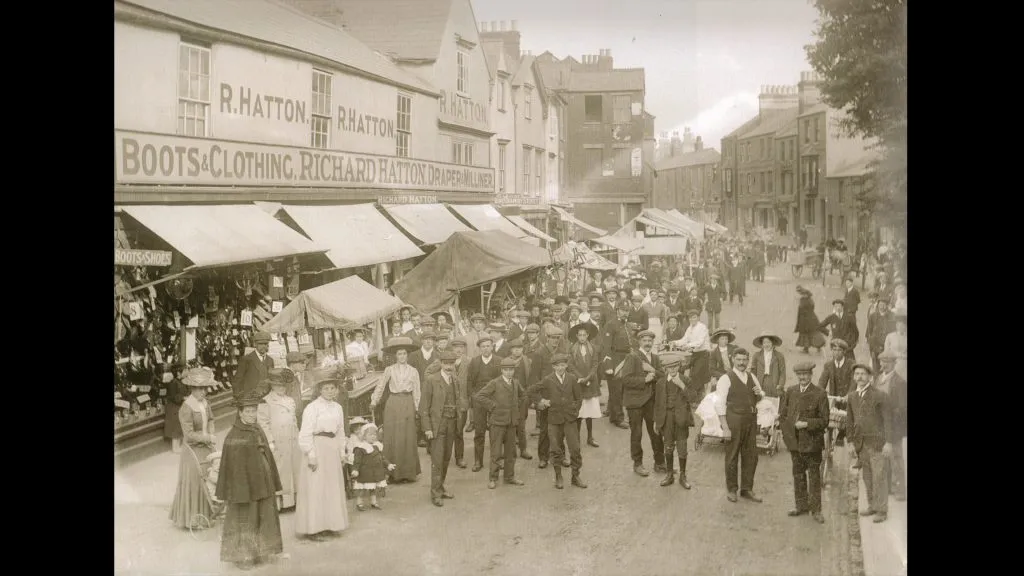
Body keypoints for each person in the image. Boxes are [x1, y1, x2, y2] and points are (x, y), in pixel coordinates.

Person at [216, 389, 284, 570]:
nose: (252, 414)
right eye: (248, 411)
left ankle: (261, 551)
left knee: (264, 515)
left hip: (263, 480)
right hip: (244, 487)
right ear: (240, 413)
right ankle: (243, 556)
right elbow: (234, 467)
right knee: (246, 518)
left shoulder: (257, 428)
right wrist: (240, 489)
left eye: (254, 411)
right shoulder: (234, 435)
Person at [295, 368, 349, 540]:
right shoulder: (312, 408)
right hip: (317, 448)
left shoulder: (338, 408)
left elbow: (340, 431)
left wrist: (342, 451)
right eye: (326, 388)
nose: (330, 391)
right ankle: (314, 528)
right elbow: (305, 433)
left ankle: (331, 524)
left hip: (332, 449)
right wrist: (311, 454)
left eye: (332, 388)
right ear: (319, 390)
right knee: (316, 488)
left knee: (331, 487)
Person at [779, 361, 830, 524]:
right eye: (800, 374)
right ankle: (801, 506)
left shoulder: (820, 393)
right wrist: (787, 435)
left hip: (812, 443)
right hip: (795, 444)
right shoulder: (791, 391)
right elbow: (784, 414)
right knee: (798, 475)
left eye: (805, 374)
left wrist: (807, 423)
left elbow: (824, 420)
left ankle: (816, 510)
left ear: (811, 375)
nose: (802, 377)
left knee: (814, 476)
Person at [170, 367, 219, 530]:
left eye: (205, 388)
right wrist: (207, 438)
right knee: (195, 481)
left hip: (206, 447)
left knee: (208, 479)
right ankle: (192, 518)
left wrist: (211, 433)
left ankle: (206, 514)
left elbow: (211, 419)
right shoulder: (187, 407)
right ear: (192, 389)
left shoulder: (205, 403)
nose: (203, 392)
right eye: (199, 389)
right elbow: (189, 434)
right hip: (192, 450)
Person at [714, 347, 765, 503]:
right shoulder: (726, 378)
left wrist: (759, 394)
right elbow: (719, 404)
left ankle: (747, 489)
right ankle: (732, 489)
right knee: (732, 456)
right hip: (734, 420)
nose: (742, 363)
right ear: (733, 360)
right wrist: (725, 427)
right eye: (739, 360)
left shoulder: (751, 376)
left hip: (750, 419)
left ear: (748, 360)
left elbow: (761, 396)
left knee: (751, 456)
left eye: (744, 360)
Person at [528, 353, 587, 489]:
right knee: (555, 449)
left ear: (566, 365)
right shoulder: (548, 379)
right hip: (554, 419)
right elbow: (531, 390)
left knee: (575, 448)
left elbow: (579, 397)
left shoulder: (572, 378)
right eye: (557, 366)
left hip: (569, 419)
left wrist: (574, 411)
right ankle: (558, 476)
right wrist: (541, 401)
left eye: (562, 365)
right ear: (553, 367)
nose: (560, 368)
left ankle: (575, 476)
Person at [369, 337, 422, 483]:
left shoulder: (413, 371)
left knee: (407, 437)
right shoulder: (389, 370)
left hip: (407, 402)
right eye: (399, 354)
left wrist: (417, 408)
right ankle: (392, 473)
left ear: (407, 355)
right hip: (393, 404)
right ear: (395, 356)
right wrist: (374, 400)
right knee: (392, 438)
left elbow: (417, 391)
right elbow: (380, 386)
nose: (402, 357)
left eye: (404, 354)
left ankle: (407, 473)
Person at [846, 364, 893, 523]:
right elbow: (849, 420)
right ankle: (872, 505)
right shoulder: (852, 396)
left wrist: (889, 442)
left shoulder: (880, 396)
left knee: (879, 476)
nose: (859, 377)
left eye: (863, 374)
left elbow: (888, 421)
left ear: (870, 377)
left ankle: (881, 510)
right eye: (857, 374)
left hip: (877, 443)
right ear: (854, 377)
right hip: (861, 444)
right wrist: (851, 441)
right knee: (867, 476)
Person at [474, 357, 527, 489]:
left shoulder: (515, 382)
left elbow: (523, 395)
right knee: (496, 452)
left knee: (511, 452)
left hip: (511, 422)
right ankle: (493, 478)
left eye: (511, 370)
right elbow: (480, 396)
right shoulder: (495, 383)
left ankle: (509, 477)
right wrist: (492, 406)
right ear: (502, 370)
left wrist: (516, 408)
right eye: (506, 370)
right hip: (497, 423)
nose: (509, 372)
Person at [620, 330, 666, 477]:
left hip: (651, 402)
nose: (647, 343)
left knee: (656, 432)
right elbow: (625, 380)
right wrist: (644, 380)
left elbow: (663, 378)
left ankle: (659, 463)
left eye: (650, 341)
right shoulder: (632, 357)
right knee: (637, 434)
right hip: (635, 402)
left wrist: (652, 370)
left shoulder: (655, 358)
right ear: (639, 342)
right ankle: (637, 464)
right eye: (644, 340)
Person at [256, 368, 301, 510]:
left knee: (295, 468)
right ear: (272, 386)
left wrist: (298, 436)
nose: (281, 388)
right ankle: (283, 502)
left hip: (292, 438)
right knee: (281, 470)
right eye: (278, 385)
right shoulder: (266, 401)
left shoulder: (289, 400)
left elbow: (293, 419)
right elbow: (263, 422)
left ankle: (295, 499)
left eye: (283, 385)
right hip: (278, 439)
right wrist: (270, 441)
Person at [653, 351, 699, 489]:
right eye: (669, 367)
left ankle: (683, 475)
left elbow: (693, 398)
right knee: (668, 446)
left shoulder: (686, 380)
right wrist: (656, 420)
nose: (672, 370)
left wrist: (681, 385)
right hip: (666, 418)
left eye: (675, 366)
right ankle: (669, 474)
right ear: (665, 369)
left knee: (682, 447)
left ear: (679, 366)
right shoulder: (661, 383)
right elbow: (657, 403)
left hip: (681, 418)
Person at [420, 350, 460, 507]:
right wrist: (427, 428)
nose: (449, 367)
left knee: (446, 458)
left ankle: (440, 487)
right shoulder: (431, 380)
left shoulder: (454, 380)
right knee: (437, 459)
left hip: (451, 423)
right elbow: (424, 407)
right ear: (441, 364)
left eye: (451, 363)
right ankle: (435, 493)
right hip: (437, 425)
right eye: (446, 363)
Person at [466, 336, 502, 471]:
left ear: (492, 347)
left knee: (496, 432)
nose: (486, 349)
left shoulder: (499, 361)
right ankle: (478, 461)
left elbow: (502, 381)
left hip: (494, 400)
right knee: (479, 432)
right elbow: (469, 381)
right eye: (483, 346)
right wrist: (473, 396)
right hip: (479, 401)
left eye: (488, 346)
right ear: (479, 349)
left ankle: (496, 461)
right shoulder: (474, 362)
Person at [875, 351, 906, 501]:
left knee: (897, 457)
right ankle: (889, 487)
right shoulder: (879, 379)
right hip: (880, 425)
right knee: (885, 457)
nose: (882, 364)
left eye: (886, 362)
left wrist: (887, 412)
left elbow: (902, 407)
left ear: (893, 363)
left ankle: (900, 489)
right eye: (881, 361)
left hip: (893, 426)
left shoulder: (899, 382)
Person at [569, 321, 602, 448]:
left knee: (589, 412)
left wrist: (588, 377)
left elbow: (595, 364)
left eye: (584, 335)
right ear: (577, 336)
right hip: (578, 382)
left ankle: (590, 437)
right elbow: (570, 365)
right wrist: (580, 378)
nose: (582, 337)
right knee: (579, 411)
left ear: (587, 335)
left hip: (591, 382)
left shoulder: (592, 348)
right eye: (580, 335)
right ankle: (576, 437)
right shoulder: (572, 349)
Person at [601, 305, 633, 430]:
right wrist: (608, 364)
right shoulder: (611, 324)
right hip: (615, 360)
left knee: (621, 390)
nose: (625, 313)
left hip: (626, 359)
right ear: (618, 311)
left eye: (627, 310)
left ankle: (614, 417)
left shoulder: (628, 325)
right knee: (616, 391)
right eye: (623, 310)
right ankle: (619, 418)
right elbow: (606, 346)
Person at [350, 423, 395, 511]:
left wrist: (388, 464)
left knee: (373, 488)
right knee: (362, 489)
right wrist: (355, 469)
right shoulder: (360, 448)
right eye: (370, 435)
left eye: (374, 435)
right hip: (364, 473)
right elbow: (357, 461)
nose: (373, 437)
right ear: (364, 436)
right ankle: (359, 503)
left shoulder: (376, 447)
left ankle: (373, 502)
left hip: (374, 473)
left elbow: (382, 458)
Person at [671, 309, 711, 393]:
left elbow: (699, 343)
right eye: (690, 318)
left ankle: (696, 394)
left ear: (698, 318)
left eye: (694, 317)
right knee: (681, 367)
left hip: (703, 354)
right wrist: (675, 342)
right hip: (694, 354)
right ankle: (682, 389)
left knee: (696, 373)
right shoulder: (689, 328)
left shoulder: (702, 327)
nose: (692, 319)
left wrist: (687, 345)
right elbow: (684, 339)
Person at [448, 336, 471, 468]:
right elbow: (428, 373)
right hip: (448, 403)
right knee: (447, 431)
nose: (459, 350)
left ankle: (459, 457)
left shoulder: (469, 361)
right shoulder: (446, 361)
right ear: (452, 349)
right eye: (456, 347)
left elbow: (472, 380)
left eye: (461, 348)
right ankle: (444, 457)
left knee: (459, 431)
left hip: (462, 403)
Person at [232, 331, 275, 398]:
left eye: (265, 344)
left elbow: (271, 379)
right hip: (250, 398)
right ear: (255, 344)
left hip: (266, 398)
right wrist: (238, 397)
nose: (263, 346)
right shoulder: (246, 359)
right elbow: (238, 380)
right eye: (261, 344)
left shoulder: (270, 360)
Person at [751, 332, 787, 398]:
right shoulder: (756, 355)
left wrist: (780, 385)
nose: (766, 345)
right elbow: (753, 372)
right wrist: (754, 385)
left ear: (773, 343)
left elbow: (782, 372)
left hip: (774, 381)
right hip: (760, 381)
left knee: (773, 401)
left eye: (769, 342)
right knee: (760, 400)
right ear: (762, 344)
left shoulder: (779, 356)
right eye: (764, 343)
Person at [161, 363, 186, 453]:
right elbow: (174, 397)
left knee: (181, 425)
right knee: (176, 426)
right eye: (185, 370)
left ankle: (180, 445)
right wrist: (184, 398)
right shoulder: (173, 383)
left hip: (180, 406)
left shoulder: (181, 381)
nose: (186, 372)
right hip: (174, 408)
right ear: (179, 373)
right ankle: (175, 447)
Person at [286, 351, 314, 430]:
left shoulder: (295, 376)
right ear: (292, 364)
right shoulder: (288, 379)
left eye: (305, 362)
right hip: (291, 416)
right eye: (301, 362)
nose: (304, 365)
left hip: (297, 414)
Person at [794, 286, 822, 354]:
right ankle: (809, 348)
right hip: (809, 319)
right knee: (810, 334)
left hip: (807, 320)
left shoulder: (806, 301)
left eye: (804, 294)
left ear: (807, 294)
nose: (803, 295)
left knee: (808, 334)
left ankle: (809, 348)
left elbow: (803, 309)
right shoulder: (807, 300)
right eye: (802, 294)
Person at [883, 311, 907, 380]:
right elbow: (886, 352)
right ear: (896, 325)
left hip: (904, 363)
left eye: (903, 325)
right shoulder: (890, 336)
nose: (901, 326)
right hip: (892, 363)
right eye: (899, 324)